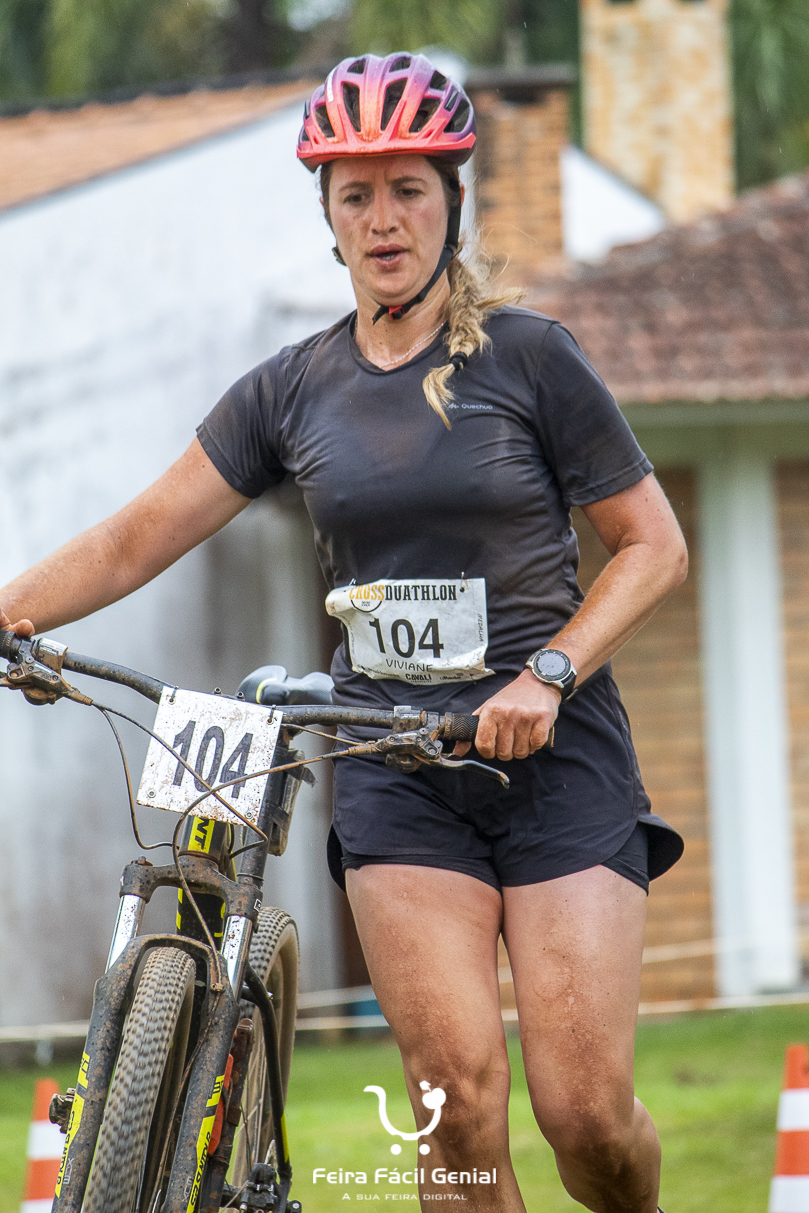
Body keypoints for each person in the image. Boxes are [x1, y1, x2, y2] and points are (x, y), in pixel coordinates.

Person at [1, 52, 686, 1213]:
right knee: (452, 1104)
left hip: (552, 758)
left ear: (450, 199)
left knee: (585, 1119)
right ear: (325, 213)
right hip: (389, 763)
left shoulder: (529, 359)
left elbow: (652, 546)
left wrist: (549, 672)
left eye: (406, 189)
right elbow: (135, 536)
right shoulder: (291, 389)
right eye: (354, 194)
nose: (382, 219)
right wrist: (11, 611)